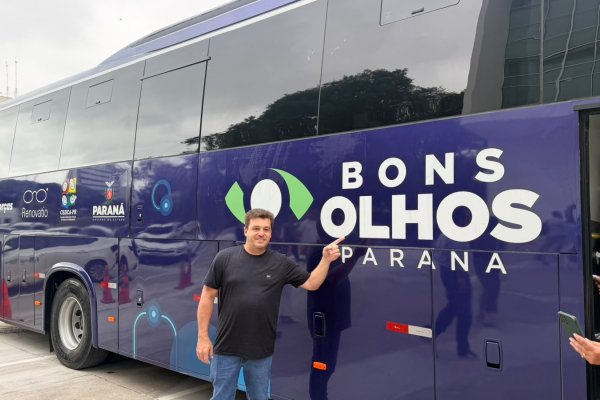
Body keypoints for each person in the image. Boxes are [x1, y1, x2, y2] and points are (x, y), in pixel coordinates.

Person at [196, 208, 343, 400]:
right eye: (256, 228)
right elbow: (207, 297)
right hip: (226, 348)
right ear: (246, 231)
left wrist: (325, 259)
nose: (261, 233)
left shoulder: (281, 263)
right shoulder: (224, 258)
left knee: (259, 397)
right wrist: (203, 337)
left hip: (260, 352)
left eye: (266, 229)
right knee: (221, 397)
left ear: (271, 233)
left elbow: (312, 283)